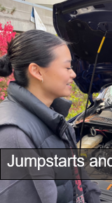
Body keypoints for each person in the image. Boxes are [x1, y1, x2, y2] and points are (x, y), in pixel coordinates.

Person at [0, 30, 101, 203]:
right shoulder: (13, 135)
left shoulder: (54, 118)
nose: (74, 74)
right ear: (37, 71)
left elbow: (77, 176)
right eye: (68, 67)